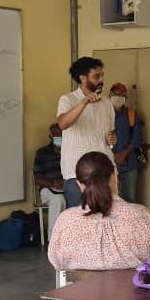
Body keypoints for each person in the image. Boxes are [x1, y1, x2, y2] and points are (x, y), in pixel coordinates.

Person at [48, 152, 150, 270]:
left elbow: (56, 264)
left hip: (79, 287)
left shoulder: (65, 221)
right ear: (115, 176)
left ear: (80, 185)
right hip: (131, 287)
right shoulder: (144, 216)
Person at [57, 57, 116, 209]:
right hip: (77, 174)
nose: (101, 80)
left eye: (102, 75)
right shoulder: (68, 99)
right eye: (96, 76)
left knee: (108, 216)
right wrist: (84, 102)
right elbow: (62, 124)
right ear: (83, 78)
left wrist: (111, 139)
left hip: (105, 171)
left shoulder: (107, 103)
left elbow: (109, 134)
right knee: (79, 217)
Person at [109, 83, 142, 204]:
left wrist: (122, 155)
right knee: (112, 200)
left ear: (125, 97)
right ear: (110, 96)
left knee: (130, 199)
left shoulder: (132, 114)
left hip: (129, 164)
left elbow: (136, 139)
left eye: (120, 94)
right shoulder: (104, 114)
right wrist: (113, 156)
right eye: (115, 94)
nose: (117, 96)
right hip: (109, 164)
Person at [33, 124, 65, 236]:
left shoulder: (71, 151)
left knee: (83, 198)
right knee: (58, 199)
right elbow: (37, 178)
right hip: (47, 189)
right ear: (50, 136)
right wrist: (54, 183)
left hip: (67, 188)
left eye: (61, 134)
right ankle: (53, 239)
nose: (59, 136)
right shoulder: (42, 153)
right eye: (56, 134)